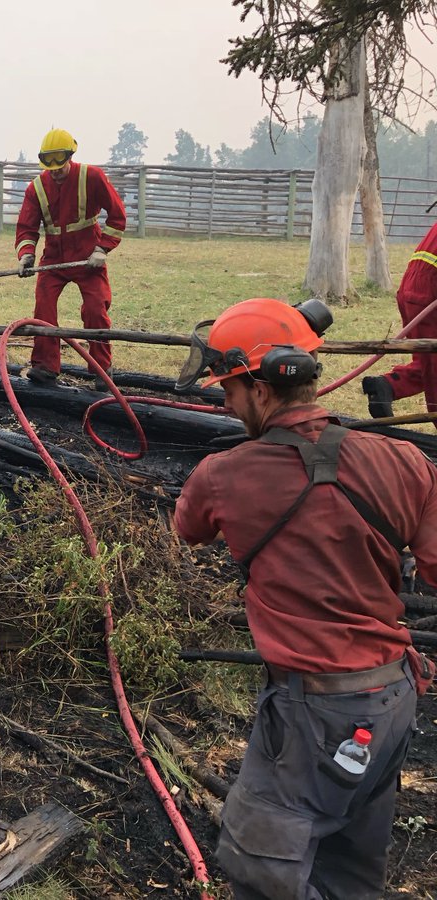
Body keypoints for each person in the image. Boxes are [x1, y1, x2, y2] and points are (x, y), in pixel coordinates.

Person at [173, 297, 434, 899]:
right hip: (391, 699)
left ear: (261, 390)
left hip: (313, 713)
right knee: (349, 869)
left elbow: (187, 529)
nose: (227, 404)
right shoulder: (406, 461)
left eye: (229, 390)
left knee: (260, 866)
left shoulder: (223, 474)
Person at [14, 128, 126, 386]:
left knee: (95, 308)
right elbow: (26, 227)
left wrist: (102, 249)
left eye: (60, 166)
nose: (55, 172)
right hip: (53, 258)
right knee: (43, 307)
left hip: (88, 257)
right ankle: (45, 366)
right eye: (50, 167)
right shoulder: (36, 188)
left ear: (70, 157)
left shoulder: (92, 177)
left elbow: (117, 215)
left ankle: (101, 369)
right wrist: (26, 254)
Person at [362, 219, 437, 422]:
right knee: (433, 363)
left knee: (427, 359)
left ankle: (389, 385)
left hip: (415, 285)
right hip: (429, 290)